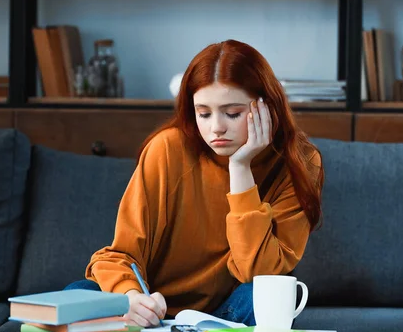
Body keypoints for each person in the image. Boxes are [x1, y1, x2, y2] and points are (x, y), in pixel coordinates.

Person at [65, 39, 324, 328]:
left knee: (260, 294)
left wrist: (240, 167)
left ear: (266, 107)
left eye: (233, 113)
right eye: (204, 113)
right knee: (75, 296)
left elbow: (258, 272)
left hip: (226, 314)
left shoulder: (300, 162)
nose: (216, 128)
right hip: (151, 308)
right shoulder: (167, 149)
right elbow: (120, 254)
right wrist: (133, 297)